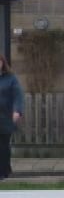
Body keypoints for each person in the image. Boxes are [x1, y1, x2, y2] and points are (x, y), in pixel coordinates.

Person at [0, 52, 23, 180]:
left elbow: (18, 96)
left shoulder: (10, 78)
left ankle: (4, 171)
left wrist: (17, 111)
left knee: (3, 145)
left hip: (5, 117)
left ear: (2, 63)